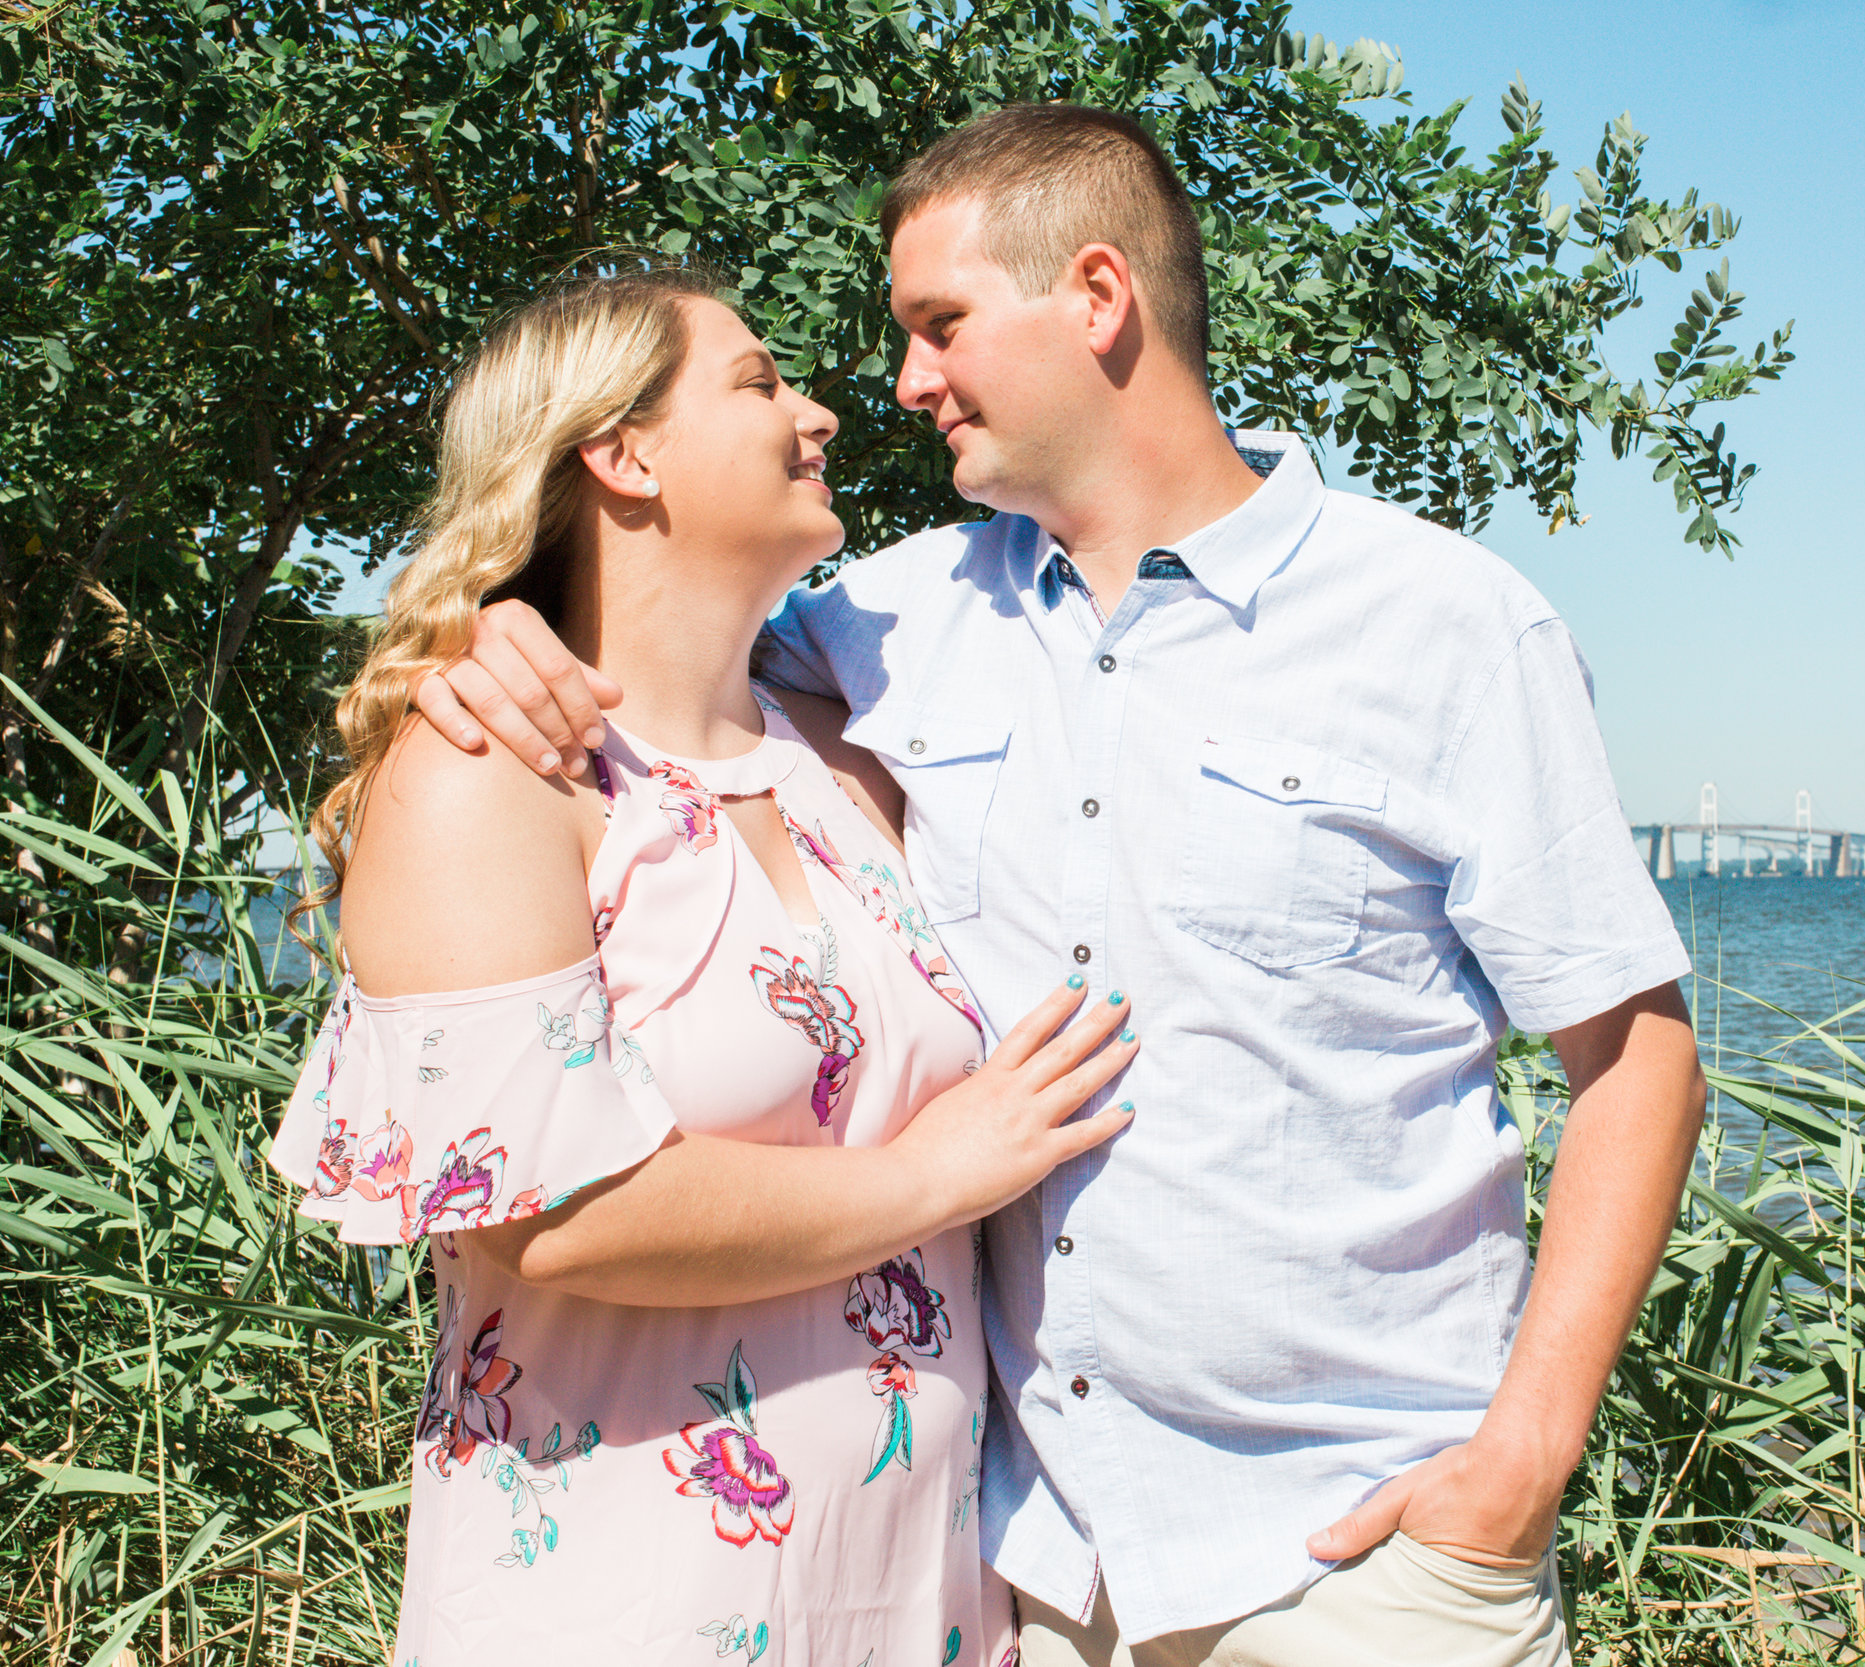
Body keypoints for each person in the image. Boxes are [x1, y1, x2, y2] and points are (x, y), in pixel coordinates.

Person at [416, 105, 1710, 1667]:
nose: (903, 382)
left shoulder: (1445, 625)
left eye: (939, 324)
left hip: (1363, 1562)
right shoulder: (875, 631)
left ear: (1097, 299)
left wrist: (1523, 1463)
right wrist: (498, 633)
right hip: (1034, 1572)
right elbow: (653, 652)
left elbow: (1635, 1059)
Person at [268, 265, 1142, 1665]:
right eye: (759, 383)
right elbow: (537, 1215)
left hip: (916, 1605)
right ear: (620, 454)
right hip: (620, 1604)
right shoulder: (486, 776)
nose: (821, 415)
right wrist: (935, 1174)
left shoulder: (853, 756)